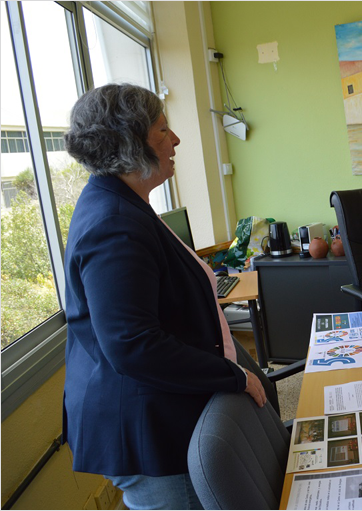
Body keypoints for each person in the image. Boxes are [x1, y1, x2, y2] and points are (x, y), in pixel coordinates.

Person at [62, 84, 267, 509]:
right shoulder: (114, 225)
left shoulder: (124, 204)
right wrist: (233, 376)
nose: (175, 140)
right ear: (129, 142)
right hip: (143, 428)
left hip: (158, 410)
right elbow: (133, 345)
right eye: (162, 130)